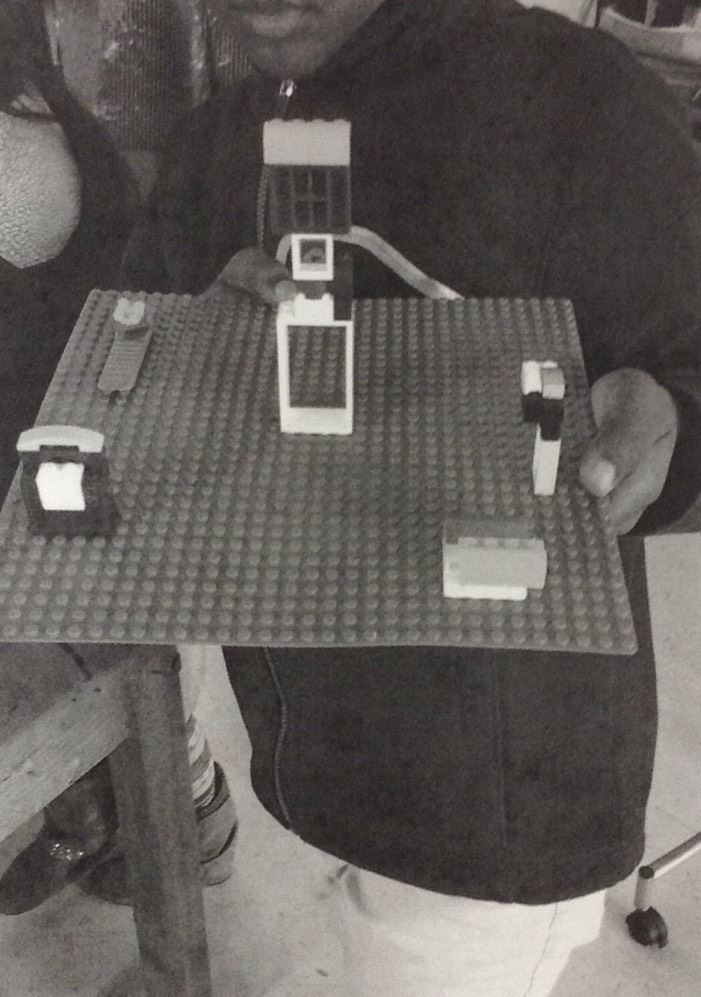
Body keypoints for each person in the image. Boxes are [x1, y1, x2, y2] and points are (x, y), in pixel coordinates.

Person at [121, 0, 701, 992]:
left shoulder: (580, 110)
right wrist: (200, 343)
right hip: (303, 732)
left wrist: (674, 423)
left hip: (489, 814)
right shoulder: (215, 139)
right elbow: (148, 347)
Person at [0, 0, 236, 915]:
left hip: (76, 447)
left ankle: (181, 813)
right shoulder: (30, 95)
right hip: (69, 425)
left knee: (118, 659)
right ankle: (98, 808)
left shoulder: (17, 148)